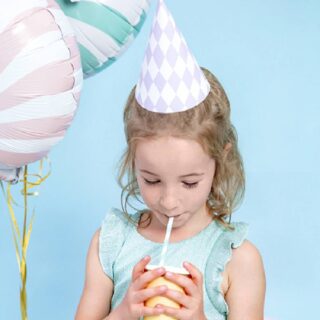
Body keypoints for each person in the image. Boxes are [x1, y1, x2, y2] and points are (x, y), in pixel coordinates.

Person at [75, 1, 265, 319]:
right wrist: (122, 313)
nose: (169, 201)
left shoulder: (237, 259)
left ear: (221, 159)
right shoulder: (111, 244)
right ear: (132, 160)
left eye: (190, 182)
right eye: (151, 179)